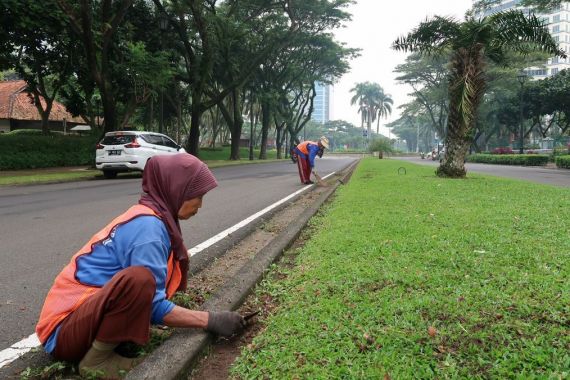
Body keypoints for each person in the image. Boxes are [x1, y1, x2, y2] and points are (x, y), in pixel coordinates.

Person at [35, 153, 246, 379]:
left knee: (140, 281)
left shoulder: (149, 215)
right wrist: (211, 320)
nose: (200, 205)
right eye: (198, 195)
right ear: (177, 189)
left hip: (80, 320)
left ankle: (116, 339)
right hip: (64, 332)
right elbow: (152, 303)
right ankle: (97, 360)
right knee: (139, 279)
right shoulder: (150, 229)